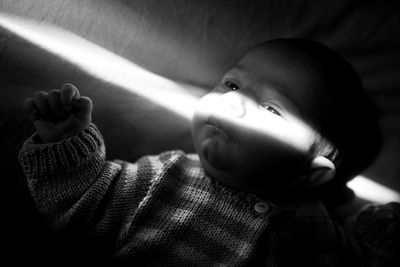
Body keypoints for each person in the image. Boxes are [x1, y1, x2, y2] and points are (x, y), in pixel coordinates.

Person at [18, 39, 399, 266]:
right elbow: (85, 202)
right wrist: (66, 141)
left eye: (271, 108)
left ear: (311, 174)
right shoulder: (165, 177)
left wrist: (381, 236)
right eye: (232, 84)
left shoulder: (315, 229)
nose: (232, 103)